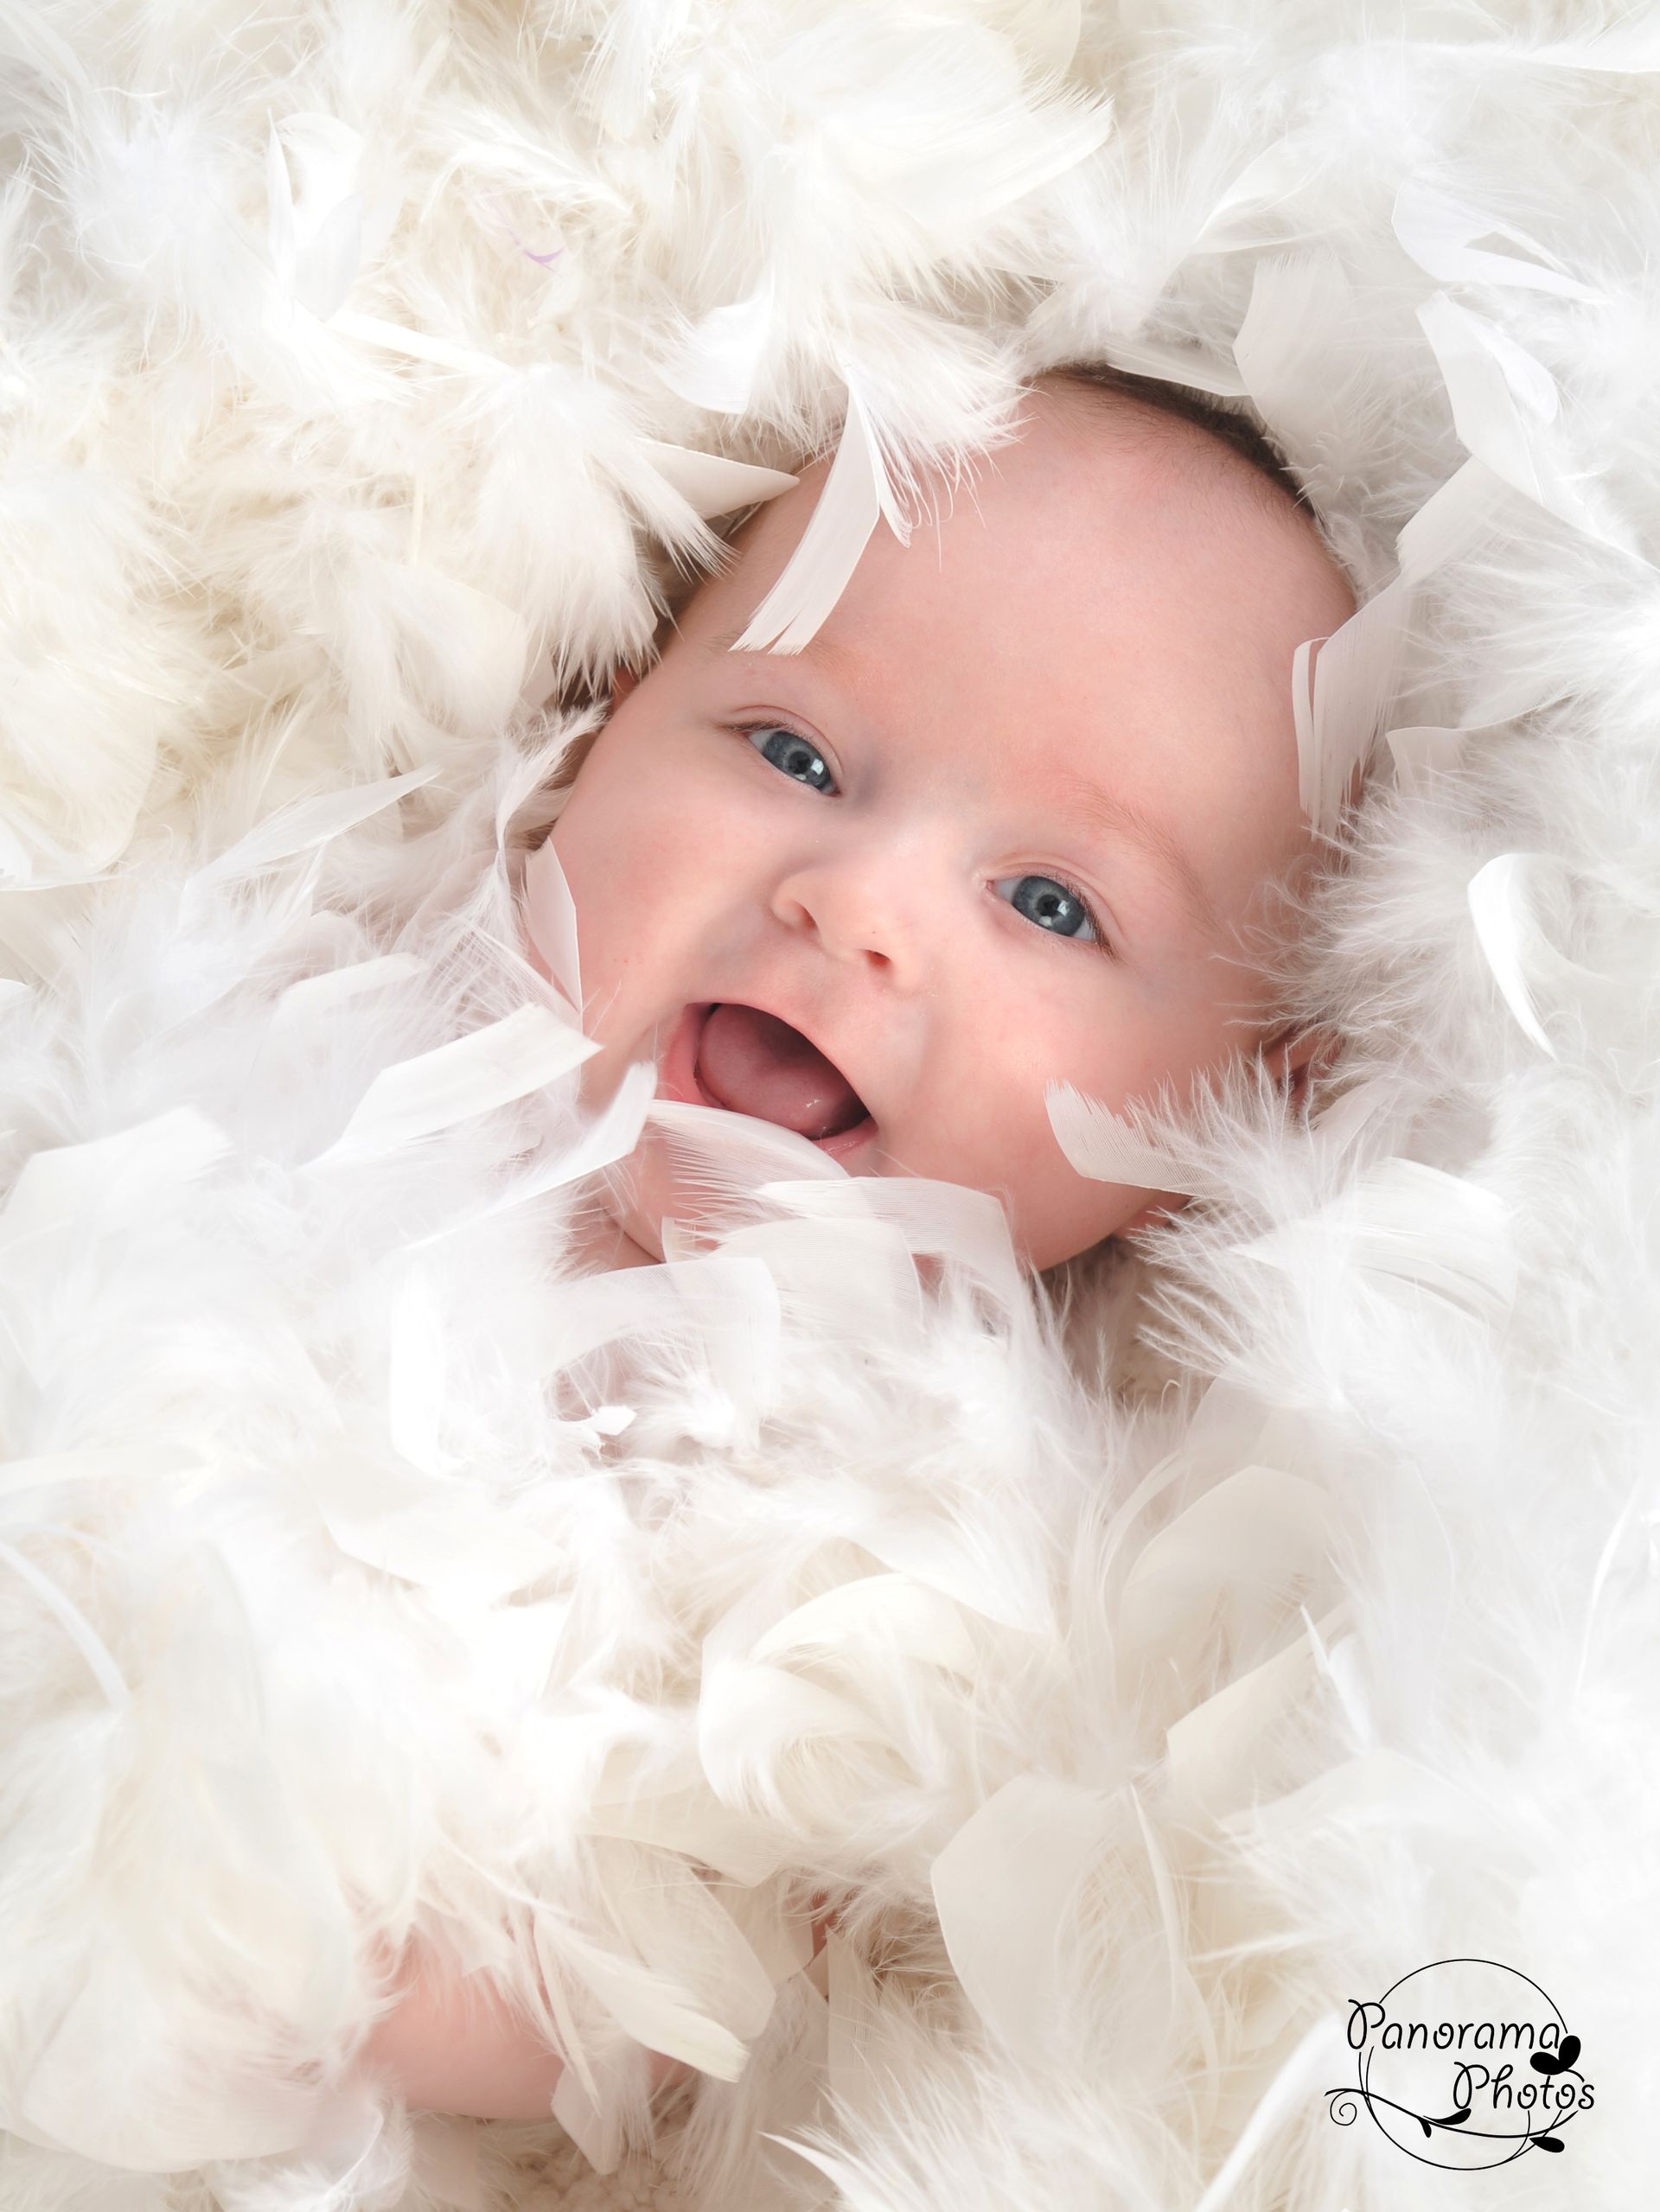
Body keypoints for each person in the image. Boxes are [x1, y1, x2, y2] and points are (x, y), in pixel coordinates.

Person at [354, 363, 1360, 2119]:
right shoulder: (290, 1037)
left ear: (1228, 1118)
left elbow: (643, 2007)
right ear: (604, 718)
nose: (862, 901)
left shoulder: (974, 1599)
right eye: (795, 752)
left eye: (1052, 901)